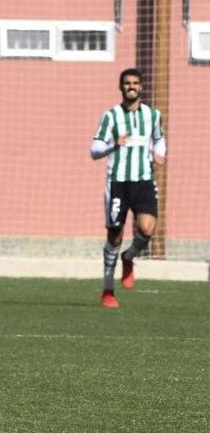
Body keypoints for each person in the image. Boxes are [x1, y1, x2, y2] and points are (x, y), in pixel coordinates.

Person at [90, 67, 166, 309]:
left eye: (135, 83)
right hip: (118, 183)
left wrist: (160, 152)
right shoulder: (110, 116)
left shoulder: (153, 115)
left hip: (144, 180)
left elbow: (159, 138)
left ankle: (129, 257)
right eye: (126, 83)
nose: (131, 86)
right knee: (115, 235)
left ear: (141, 87)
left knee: (147, 227)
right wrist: (113, 145)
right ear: (121, 87)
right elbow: (94, 150)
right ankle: (108, 290)